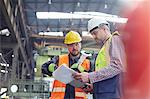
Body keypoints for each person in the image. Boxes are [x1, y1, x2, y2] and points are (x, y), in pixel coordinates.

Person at [73, 18, 126, 99]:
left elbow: (117, 66)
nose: (94, 37)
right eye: (92, 34)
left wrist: (90, 76)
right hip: (105, 93)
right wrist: (94, 85)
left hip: (112, 94)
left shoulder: (114, 39)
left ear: (104, 29)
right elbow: (105, 72)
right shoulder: (105, 47)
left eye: (95, 33)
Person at [41, 31, 92, 99]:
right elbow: (44, 67)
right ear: (67, 46)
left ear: (80, 44)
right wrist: (54, 68)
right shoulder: (59, 59)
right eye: (71, 45)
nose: (74, 47)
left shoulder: (88, 63)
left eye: (76, 44)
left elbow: (93, 82)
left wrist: (84, 74)